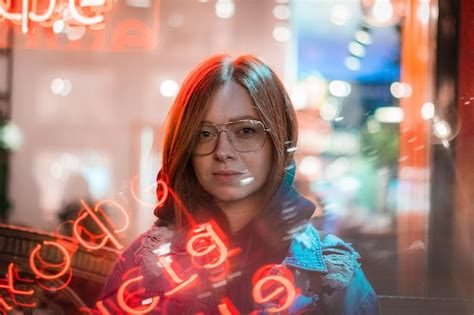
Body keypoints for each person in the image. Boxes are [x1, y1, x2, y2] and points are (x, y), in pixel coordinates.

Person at [97, 54, 380, 314]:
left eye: (246, 131)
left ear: (279, 142)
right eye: (204, 133)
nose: (223, 151)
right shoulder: (143, 266)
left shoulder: (331, 274)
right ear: (185, 146)